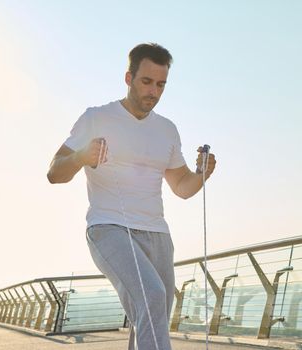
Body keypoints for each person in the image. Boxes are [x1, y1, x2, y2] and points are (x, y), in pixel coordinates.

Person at [48, 43, 216, 350]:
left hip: (157, 234)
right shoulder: (96, 118)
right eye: (147, 81)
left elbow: (181, 186)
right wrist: (82, 157)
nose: (154, 91)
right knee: (152, 296)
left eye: (161, 84)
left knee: (153, 315)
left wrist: (201, 174)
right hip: (108, 228)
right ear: (128, 78)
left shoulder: (167, 130)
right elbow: (54, 173)